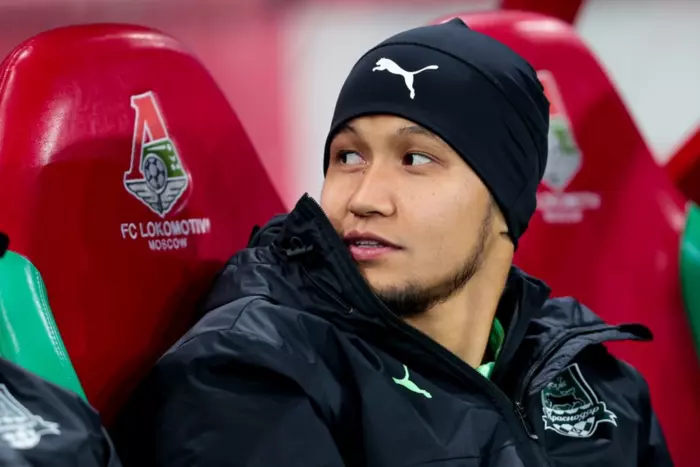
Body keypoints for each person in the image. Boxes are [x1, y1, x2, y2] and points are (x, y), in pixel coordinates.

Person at [112, 18, 671, 466]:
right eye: (348, 157)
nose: (365, 198)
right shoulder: (249, 376)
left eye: (416, 159)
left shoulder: (593, 380)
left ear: (504, 201)